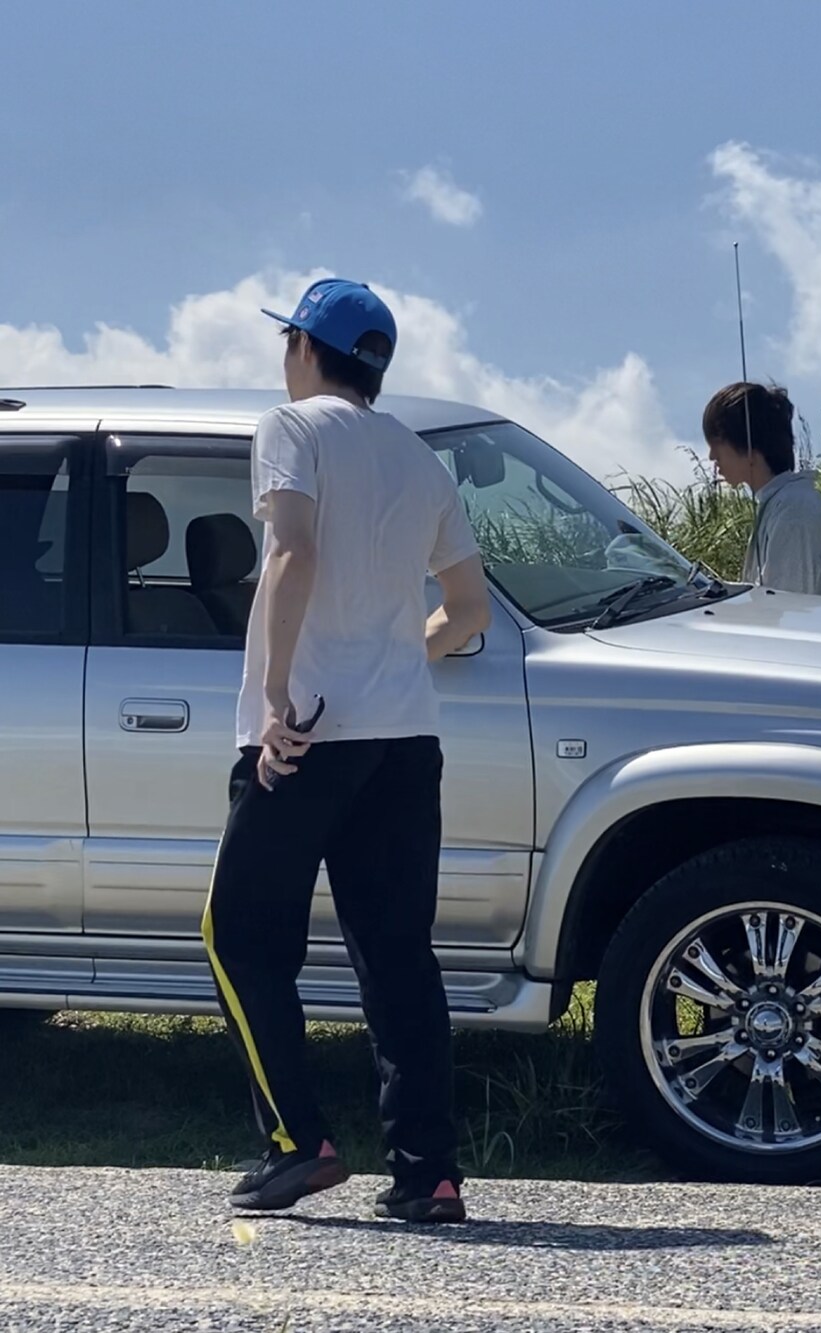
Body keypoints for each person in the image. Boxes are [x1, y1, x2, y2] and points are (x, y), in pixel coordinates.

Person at [201, 277, 491, 1223]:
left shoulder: (291, 431)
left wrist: (280, 692)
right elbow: (470, 608)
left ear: (303, 347)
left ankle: (297, 1141)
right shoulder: (418, 456)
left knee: (240, 935)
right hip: (405, 739)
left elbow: (292, 550)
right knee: (398, 954)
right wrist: (395, 655)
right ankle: (429, 1175)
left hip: (310, 732)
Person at [702, 381, 821, 596]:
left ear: (750, 447)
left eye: (717, 444)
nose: (712, 457)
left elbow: (789, 607)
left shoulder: (794, 510)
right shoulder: (782, 503)